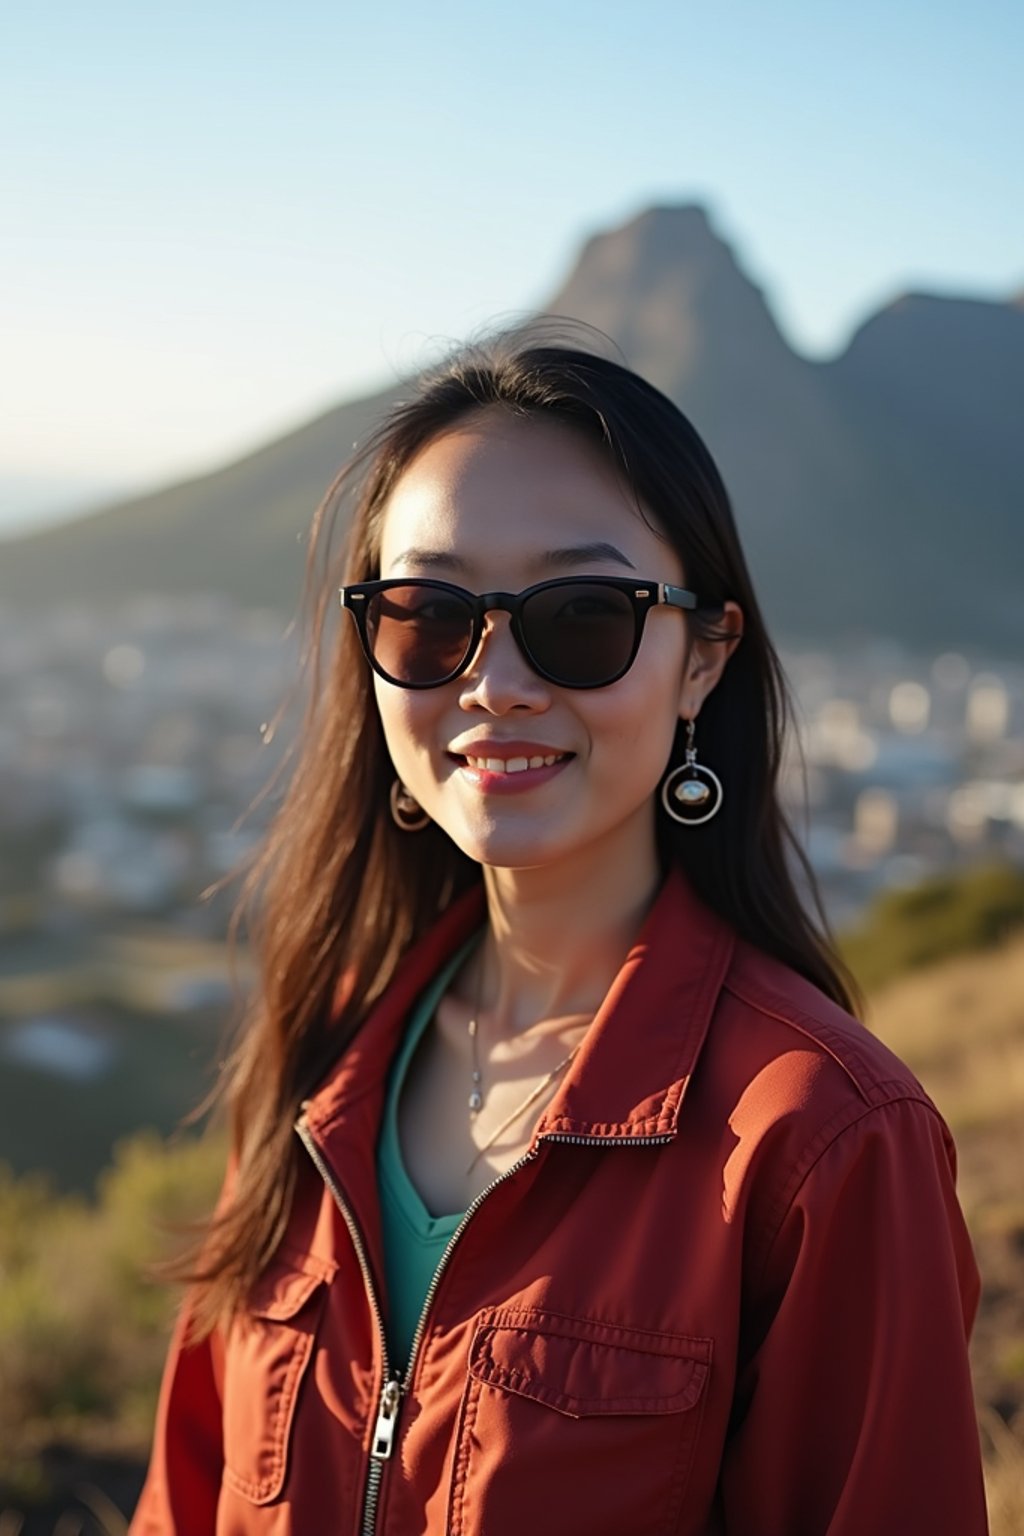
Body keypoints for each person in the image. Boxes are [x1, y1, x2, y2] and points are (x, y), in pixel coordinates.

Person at [130, 333, 989, 1534]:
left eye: (581, 617)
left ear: (704, 657)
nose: (494, 682)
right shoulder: (321, 1074)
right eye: (429, 616)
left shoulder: (820, 1140)